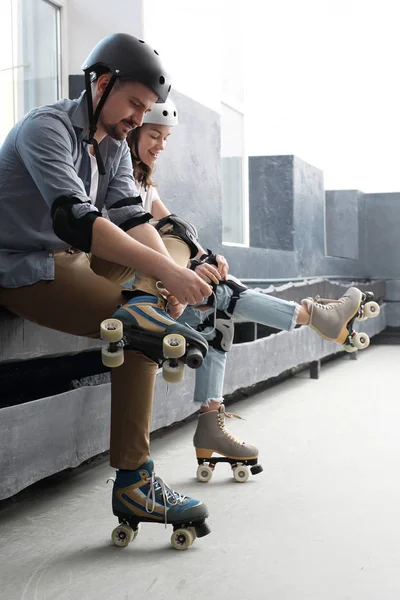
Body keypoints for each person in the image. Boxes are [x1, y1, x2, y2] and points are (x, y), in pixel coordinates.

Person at [0, 34, 213, 549]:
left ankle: (146, 309)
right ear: (101, 85)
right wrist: (168, 279)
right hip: (26, 266)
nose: (140, 119)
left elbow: (135, 217)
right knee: (143, 324)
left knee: (168, 243)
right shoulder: (44, 128)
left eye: (147, 108)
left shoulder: (115, 145)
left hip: (78, 258)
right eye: (134, 104)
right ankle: (136, 482)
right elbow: (77, 221)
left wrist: (169, 272)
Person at [127, 98, 380, 482]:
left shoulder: (146, 184)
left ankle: (211, 422)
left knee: (219, 310)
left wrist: (208, 258)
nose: (160, 144)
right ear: (133, 133)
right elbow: (147, 243)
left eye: (165, 137)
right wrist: (192, 269)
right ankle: (312, 316)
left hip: (164, 279)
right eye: (153, 135)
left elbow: (174, 229)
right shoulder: (120, 182)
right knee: (220, 300)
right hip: (136, 288)